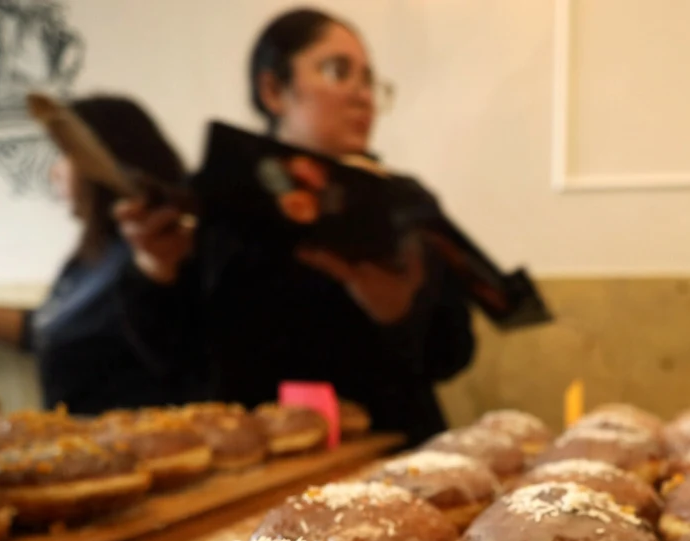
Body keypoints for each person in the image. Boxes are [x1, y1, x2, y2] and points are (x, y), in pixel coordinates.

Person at [115, 8, 475, 444]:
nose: (363, 95)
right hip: (259, 464)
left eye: (368, 80)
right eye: (338, 71)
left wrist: (399, 316)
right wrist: (155, 272)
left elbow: (454, 353)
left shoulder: (407, 204)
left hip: (392, 455)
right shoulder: (213, 201)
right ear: (273, 89)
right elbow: (177, 362)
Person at [0, 96, 196, 414]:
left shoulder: (161, 257)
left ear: (101, 162)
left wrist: (156, 268)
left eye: (63, 156)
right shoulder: (90, 258)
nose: (53, 172)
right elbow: (41, 329)